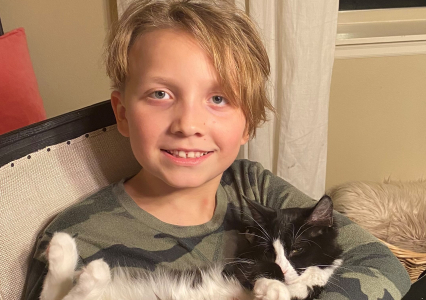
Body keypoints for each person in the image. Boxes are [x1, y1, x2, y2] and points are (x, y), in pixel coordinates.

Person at [24, 0, 411, 299]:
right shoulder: (80, 238)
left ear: (249, 123)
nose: (188, 124)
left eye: (219, 98)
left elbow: (382, 263)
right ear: (122, 114)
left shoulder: (250, 185)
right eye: (160, 94)